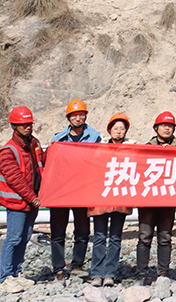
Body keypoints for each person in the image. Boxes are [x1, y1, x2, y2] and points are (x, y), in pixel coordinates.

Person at [50, 99, 102, 280]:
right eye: (74, 115)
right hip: (61, 191)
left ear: (85, 116)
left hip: (82, 190)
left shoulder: (95, 137)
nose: (78, 118)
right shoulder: (58, 139)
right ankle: (58, 268)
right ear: (68, 118)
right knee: (58, 231)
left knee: (82, 230)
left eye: (81, 115)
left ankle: (77, 265)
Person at [0, 107, 44, 293]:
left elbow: (42, 165)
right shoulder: (7, 151)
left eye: (29, 124)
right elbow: (15, 179)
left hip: (32, 200)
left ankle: (17, 273)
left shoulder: (34, 143)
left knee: (25, 238)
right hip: (18, 202)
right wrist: (32, 198)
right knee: (14, 238)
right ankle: (5, 277)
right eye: (23, 124)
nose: (28, 127)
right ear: (13, 126)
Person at [89, 113, 134, 287]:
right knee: (99, 236)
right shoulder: (100, 149)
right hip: (101, 199)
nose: (119, 131)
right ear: (110, 130)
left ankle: (109, 274)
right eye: (116, 128)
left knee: (115, 237)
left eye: (122, 128)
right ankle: (96, 273)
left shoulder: (131, 149)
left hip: (120, 199)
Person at [137, 112, 176, 283]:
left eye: (170, 126)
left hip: (168, 200)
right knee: (144, 237)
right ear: (156, 128)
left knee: (165, 237)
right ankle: (141, 274)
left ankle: (163, 274)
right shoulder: (146, 148)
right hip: (148, 200)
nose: (166, 128)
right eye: (163, 125)